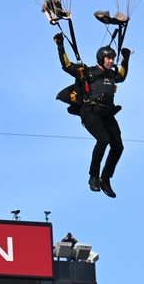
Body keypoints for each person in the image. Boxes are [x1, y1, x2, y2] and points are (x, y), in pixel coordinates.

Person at [55, 33, 130, 198]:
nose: (112, 61)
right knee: (103, 139)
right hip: (90, 111)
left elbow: (122, 76)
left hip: (107, 113)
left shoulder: (112, 75)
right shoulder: (87, 72)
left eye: (113, 58)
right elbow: (67, 66)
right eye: (109, 58)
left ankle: (106, 179)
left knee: (118, 146)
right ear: (101, 59)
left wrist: (125, 59)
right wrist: (60, 46)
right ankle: (94, 176)